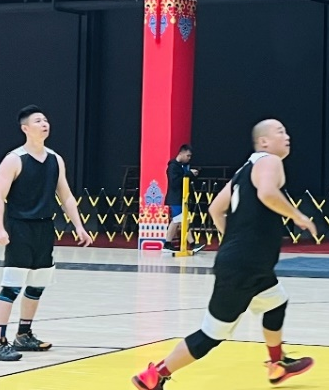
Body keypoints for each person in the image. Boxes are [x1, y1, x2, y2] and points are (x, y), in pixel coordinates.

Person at [132, 120, 318, 390]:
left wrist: (232, 241)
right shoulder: (270, 161)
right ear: (264, 142)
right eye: (280, 132)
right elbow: (267, 193)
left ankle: (277, 364)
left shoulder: (244, 171)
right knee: (211, 334)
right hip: (246, 265)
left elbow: (215, 208)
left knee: (276, 302)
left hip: (248, 264)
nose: (287, 136)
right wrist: (298, 216)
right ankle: (154, 375)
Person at [0, 105, 94, 362]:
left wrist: (79, 226)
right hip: (20, 228)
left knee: (37, 284)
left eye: (45, 120)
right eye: (38, 121)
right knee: (12, 286)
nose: (44, 123)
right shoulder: (14, 159)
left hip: (45, 228)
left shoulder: (55, 159)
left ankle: (24, 335)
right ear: (25, 128)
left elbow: (66, 196)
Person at [164, 144, 198, 252]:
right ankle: (167, 243)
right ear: (181, 153)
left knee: (184, 220)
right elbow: (175, 183)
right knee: (177, 220)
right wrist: (189, 174)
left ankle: (192, 244)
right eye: (188, 155)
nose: (189, 158)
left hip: (182, 197)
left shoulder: (181, 167)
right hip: (175, 198)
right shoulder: (173, 167)